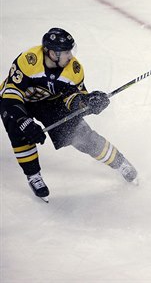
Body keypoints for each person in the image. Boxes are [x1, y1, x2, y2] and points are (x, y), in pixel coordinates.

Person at [0, 28, 137, 202]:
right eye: (66, 52)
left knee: (80, 134)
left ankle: (120, 162)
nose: (70, 56)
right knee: (20, 131)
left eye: (70, 51)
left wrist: (88, 102)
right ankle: (33, 175)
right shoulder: (28, 61)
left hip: (51, 103)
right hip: (18, 102)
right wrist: (23, 120)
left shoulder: (74, 69)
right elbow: (10, 95)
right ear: (52, 53)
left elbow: (73, 98)